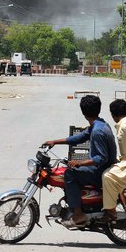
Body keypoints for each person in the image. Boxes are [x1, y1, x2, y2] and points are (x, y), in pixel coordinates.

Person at [43, 95, 116, 228]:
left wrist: (80, 163)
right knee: (71, 170)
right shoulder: (99, 124)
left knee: (70, 174)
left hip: (101, 170)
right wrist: (55, 142)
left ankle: (78, 214)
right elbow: (79, 138)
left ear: (83, 113)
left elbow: (101, 158)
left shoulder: (98, 131)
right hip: (104, 167)